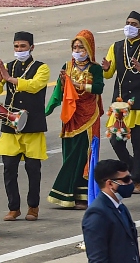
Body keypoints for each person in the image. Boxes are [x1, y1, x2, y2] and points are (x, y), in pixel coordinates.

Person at [0, 32, 51, 221]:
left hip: (33, 125)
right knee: (9, 168)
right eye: (16, 46)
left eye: (23, 46)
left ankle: (33, 207)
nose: (19, 49)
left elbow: (35, 86)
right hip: (11, 124)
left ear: (32, 47)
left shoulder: (41, 68)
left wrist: (10, 79)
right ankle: (13, 208)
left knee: (33, 169)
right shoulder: (8, 67)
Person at [103, 11, 140, 193]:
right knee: (116, 141)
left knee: (139, 145)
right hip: (121, 106)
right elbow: (108, 74)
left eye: (134, 24)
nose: (129, 26)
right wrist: (106, 69)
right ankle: (131, 167)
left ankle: (137, 181)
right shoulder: (116, 47)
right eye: (128, 23)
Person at [44, 30, 105, 209]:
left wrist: (79, 84)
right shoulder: (67, 67)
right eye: (75, 47)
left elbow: (99, 88)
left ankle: (83, 195)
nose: (77, 50)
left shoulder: (95, 68)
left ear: (89, 49)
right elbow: (59, 92)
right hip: (71, 116)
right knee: (70, 154)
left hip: (89, 116)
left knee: (84, 155)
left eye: (81, 47)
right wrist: (45, 111)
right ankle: (69, 194)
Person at [81, 159, 140, 262]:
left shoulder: (121, 207)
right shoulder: (97, 213)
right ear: (110, 183)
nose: (131, 182)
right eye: (126, 179)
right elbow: (97, 258)